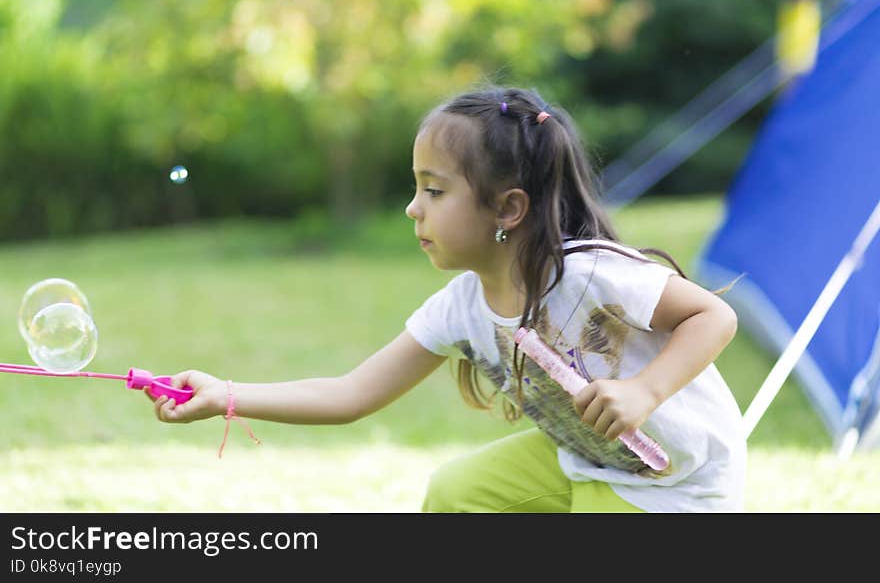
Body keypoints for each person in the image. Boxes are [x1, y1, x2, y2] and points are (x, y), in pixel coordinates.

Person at [147, 86, 746, 513]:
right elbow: (350, 393)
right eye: (417, 189)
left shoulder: (589, 273)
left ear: (508, 209)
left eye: (434, 191)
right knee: (457, 494)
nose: (414, 208)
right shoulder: (460, 307)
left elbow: (712, 315)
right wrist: (224, 395)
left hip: (679, 488)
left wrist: (646, 390)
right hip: (586, 461)